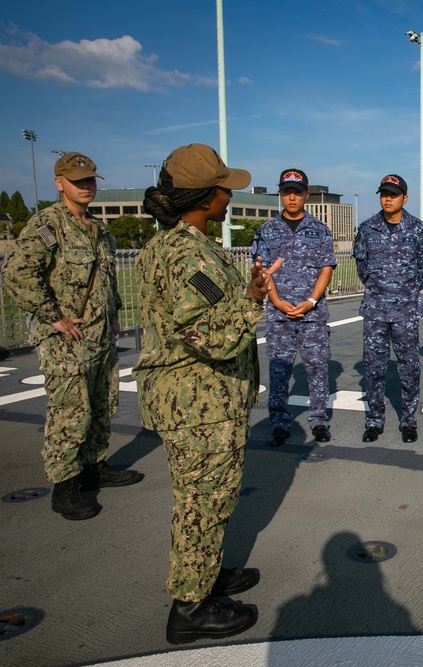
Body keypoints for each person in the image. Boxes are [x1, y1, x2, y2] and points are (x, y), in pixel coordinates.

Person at [133, 143, 278, 643]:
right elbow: (211, 337)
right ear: (205, 197)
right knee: (203, 500)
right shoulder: (187, 254)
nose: (228, 198)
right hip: (198, 402)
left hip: (199, 398)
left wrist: (244, 294)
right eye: (224, 190)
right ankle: (190, 609)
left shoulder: (172, 244)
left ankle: (206, 575)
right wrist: (254, 300)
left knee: (208, 498)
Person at [2, 151, 142, 521]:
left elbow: (106, 277)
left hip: (99, 335)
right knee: (70, 411)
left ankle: (94, 466)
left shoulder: (99, 228)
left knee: (102, 402)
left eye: (90, 180)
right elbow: (17, 275)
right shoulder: (47, 225)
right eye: (78, 181)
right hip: (66, 340)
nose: (86, 187)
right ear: (58, 183)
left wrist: (113, 313)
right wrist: (53, 317)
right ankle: (64, 485)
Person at [252, 168, 336, 447]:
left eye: (297, 192)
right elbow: (263, 270)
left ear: (306, 195)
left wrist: (311, 301)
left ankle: (319, 420)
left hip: (312, 313)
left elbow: (327, 268)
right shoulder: (267, 230)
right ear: (279, 194)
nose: (292, 197)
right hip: (280, 314)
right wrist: (276, 301)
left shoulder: (320, 229)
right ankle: (279, 422)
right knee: (279, 369)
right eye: (287, 192)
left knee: (317, 367)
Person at [353, 174, 423, 443]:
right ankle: (374, 421)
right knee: (374, 368)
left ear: (405, 198)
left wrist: (404, 292)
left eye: (393, 194)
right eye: (384, 193)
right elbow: (362, 268)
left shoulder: (418, 230)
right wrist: (380, 289)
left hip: (405, 311)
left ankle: (408, 421)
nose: (387, 198)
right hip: (375, 310)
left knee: (409, 367)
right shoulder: (367, 229)